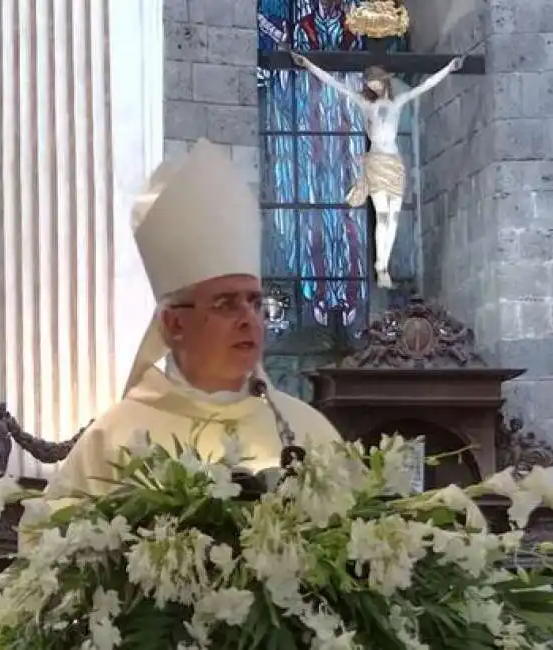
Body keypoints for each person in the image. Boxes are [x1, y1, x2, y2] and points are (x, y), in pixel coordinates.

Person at [44, 140, 343, 499]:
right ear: (174, 325)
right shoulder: (114, 441)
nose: (249, 319)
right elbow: (48, 545)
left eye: (255, 302)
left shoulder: (310, 433)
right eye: (225, 304)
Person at [291, 53, 463, 288]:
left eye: (375, 81)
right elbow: (335, 84)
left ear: (383, 82)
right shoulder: (366, 104)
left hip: (394, 164)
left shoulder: (397, 102)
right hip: (377, 162)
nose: (372, 86)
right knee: (382, 215)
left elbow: (425, 86)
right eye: (369, 83)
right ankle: (380, 266)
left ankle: (385, 263)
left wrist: (449, 69)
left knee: (393, 217)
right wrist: (309, 65)